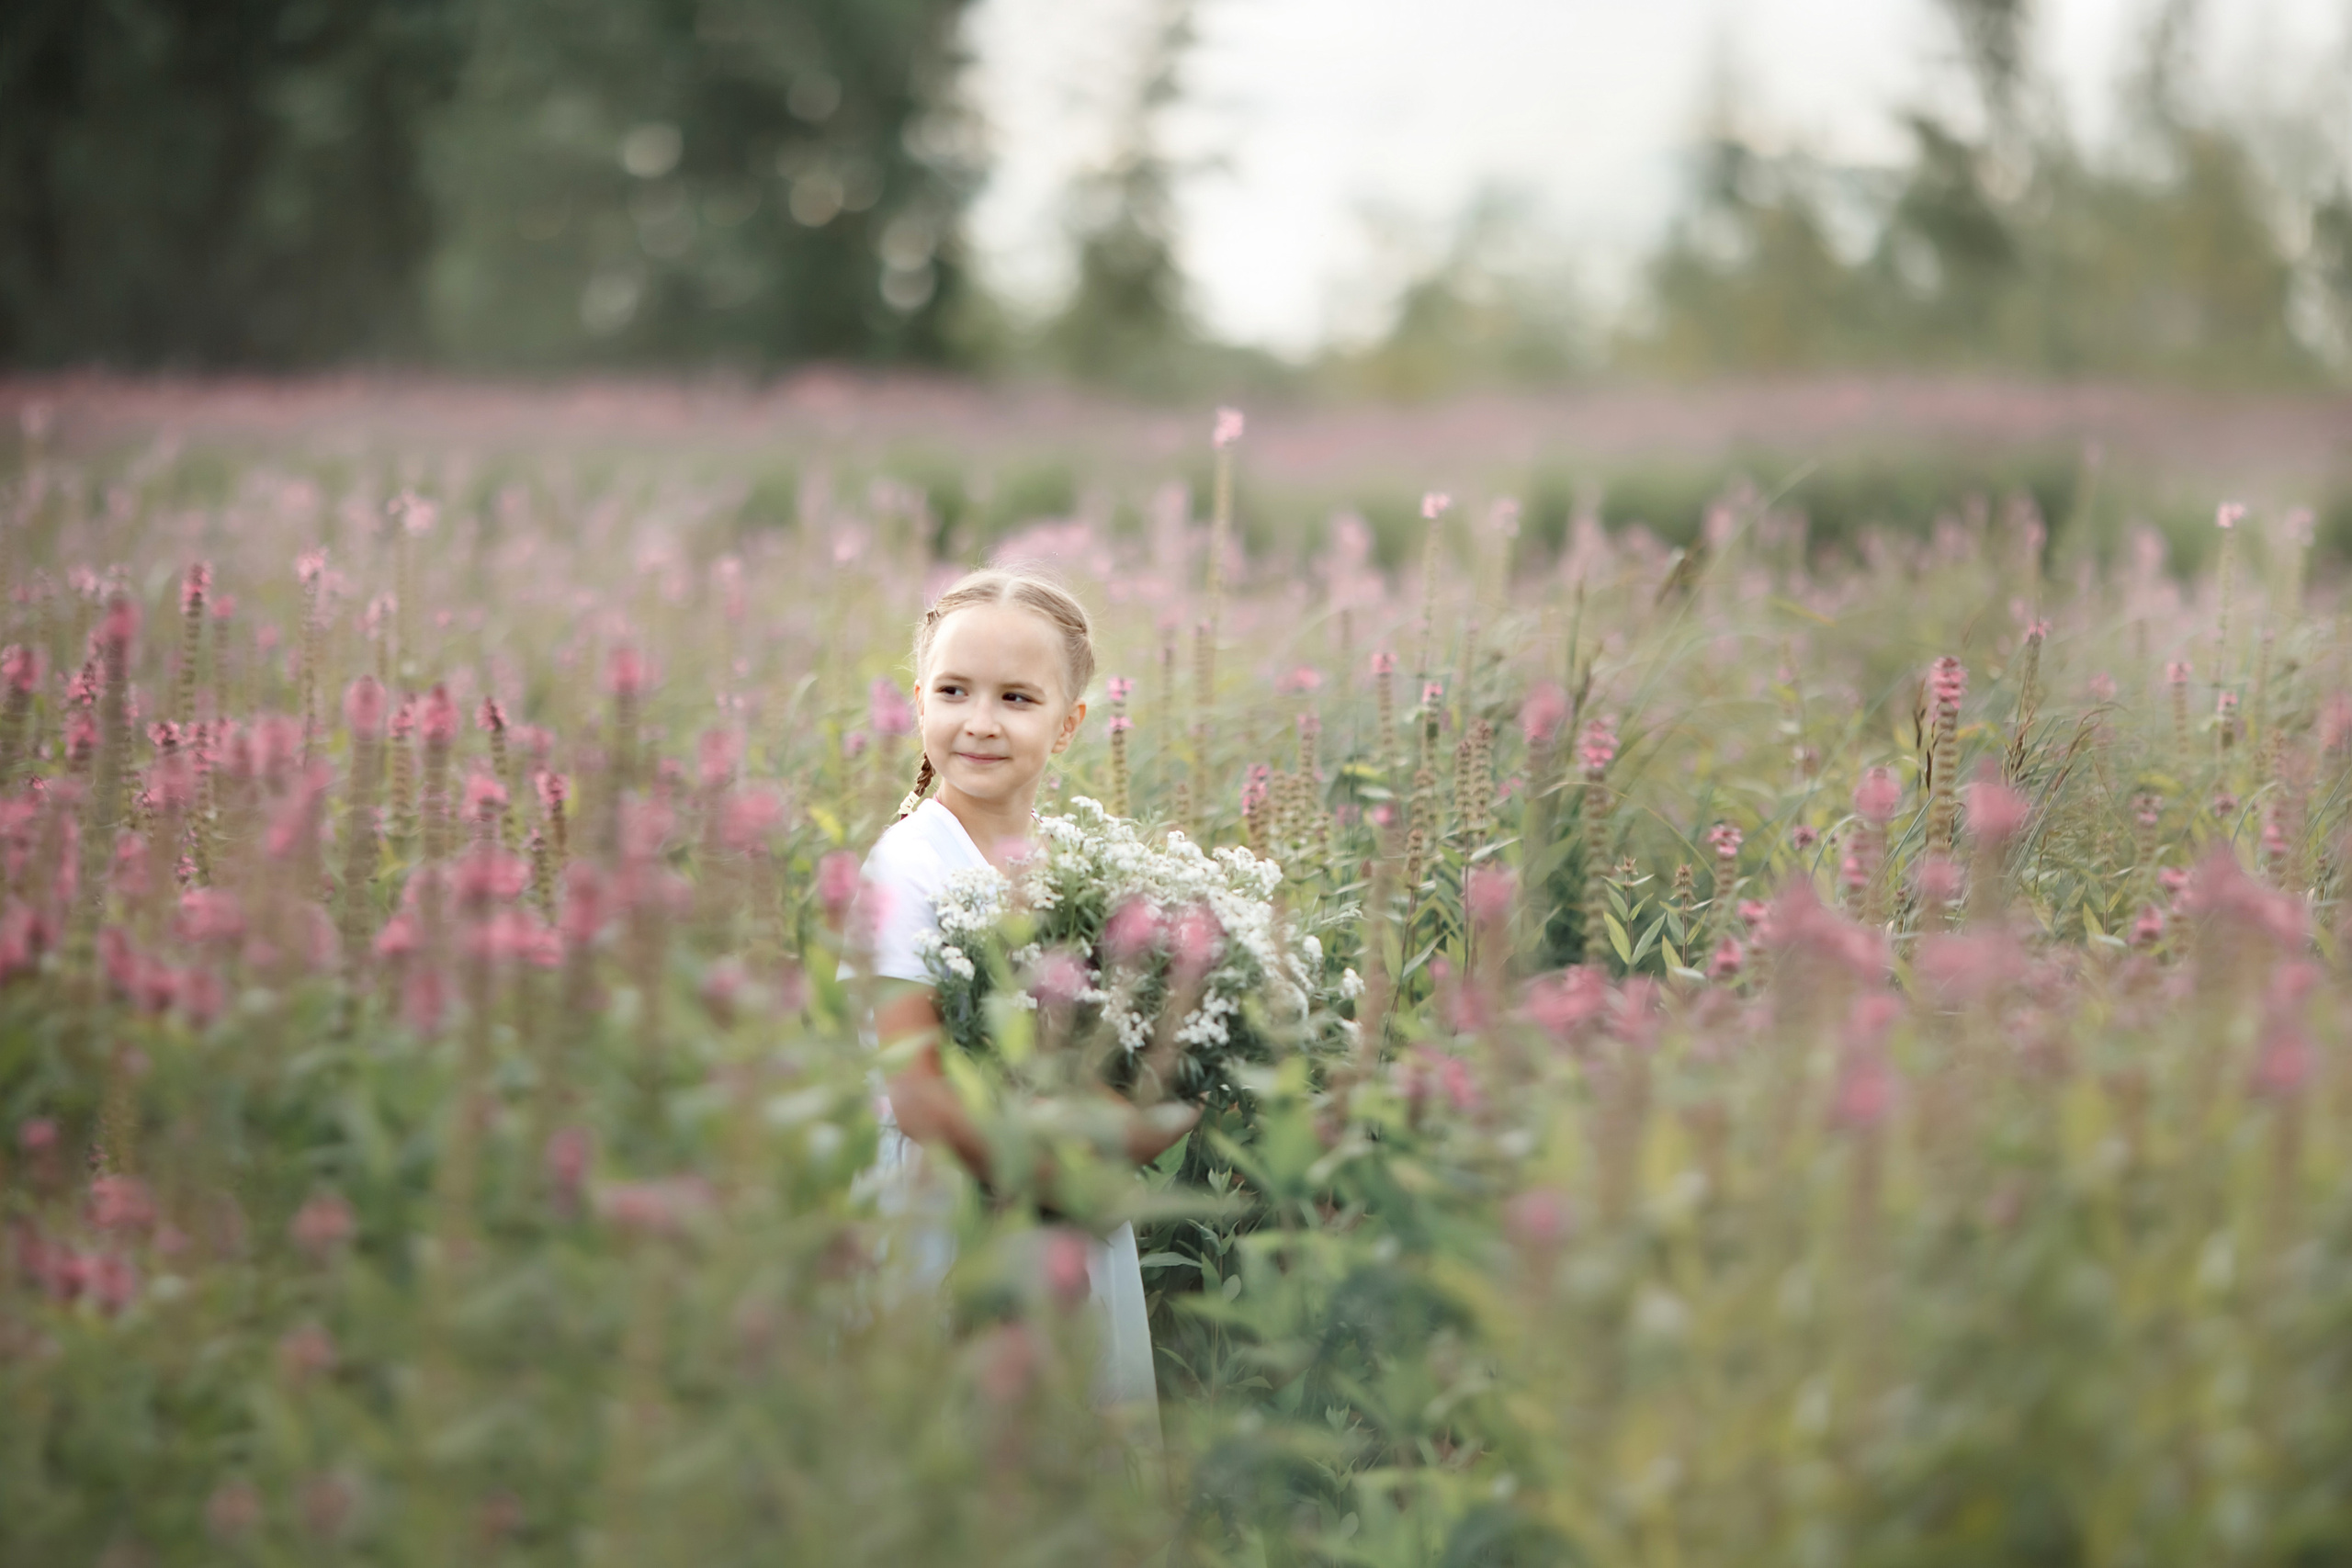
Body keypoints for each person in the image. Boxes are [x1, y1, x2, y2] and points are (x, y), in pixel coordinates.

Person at [843, 567, 1198, 1438]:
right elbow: (919, 1091)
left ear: (1069, 723)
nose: (981, 721)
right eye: (956, 691)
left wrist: (1157, 1110)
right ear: (919, 699)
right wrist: (1062, 1177)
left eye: (1017, 697)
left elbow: (1122, 1056)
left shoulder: (1076, 870)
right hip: (950, 1208)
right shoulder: (908, 864)